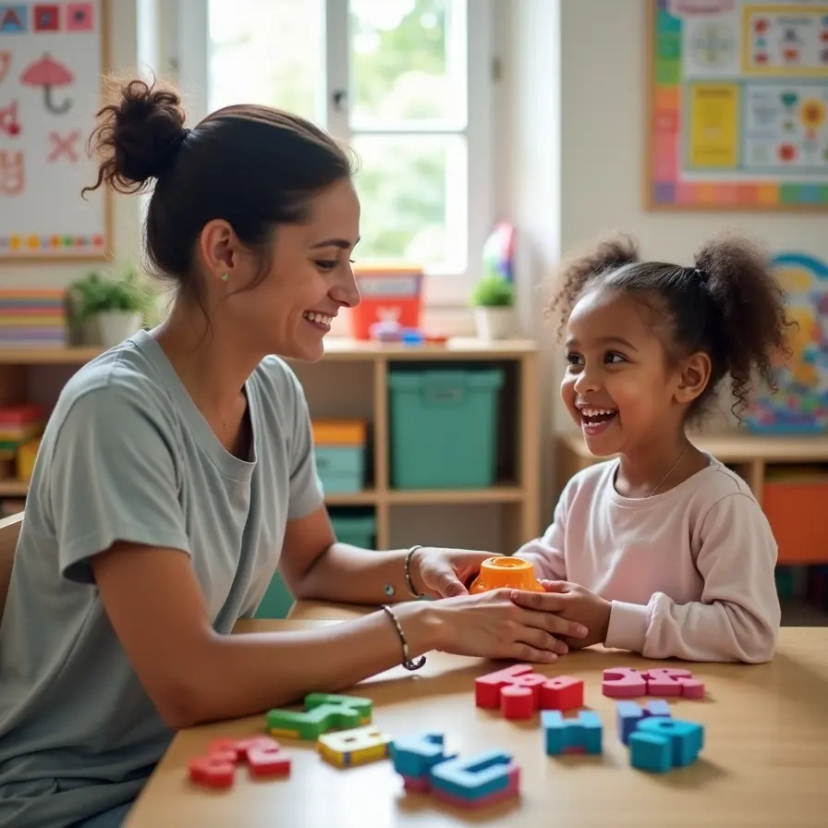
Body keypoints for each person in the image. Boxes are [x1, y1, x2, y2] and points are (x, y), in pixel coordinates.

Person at [0, 80, 589, 828]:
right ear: (224, 251)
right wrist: (428, 628)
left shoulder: (271, 390)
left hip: (195, 757)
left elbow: (310, 563)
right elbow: (189, 681)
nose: (348, 289)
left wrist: (422, 571)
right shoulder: (115, 413)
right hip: (79, 798)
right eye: (326, 260)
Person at [513, 233, 793, 664]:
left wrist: (610, 623)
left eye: (613, 358)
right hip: (600, 701)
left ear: (688, 378)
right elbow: (546, 566)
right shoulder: (583, 491)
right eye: (575, 360)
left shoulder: (720, 505)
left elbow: (750, 632)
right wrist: (493, 575)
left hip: (691, 713)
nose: (583, 382)